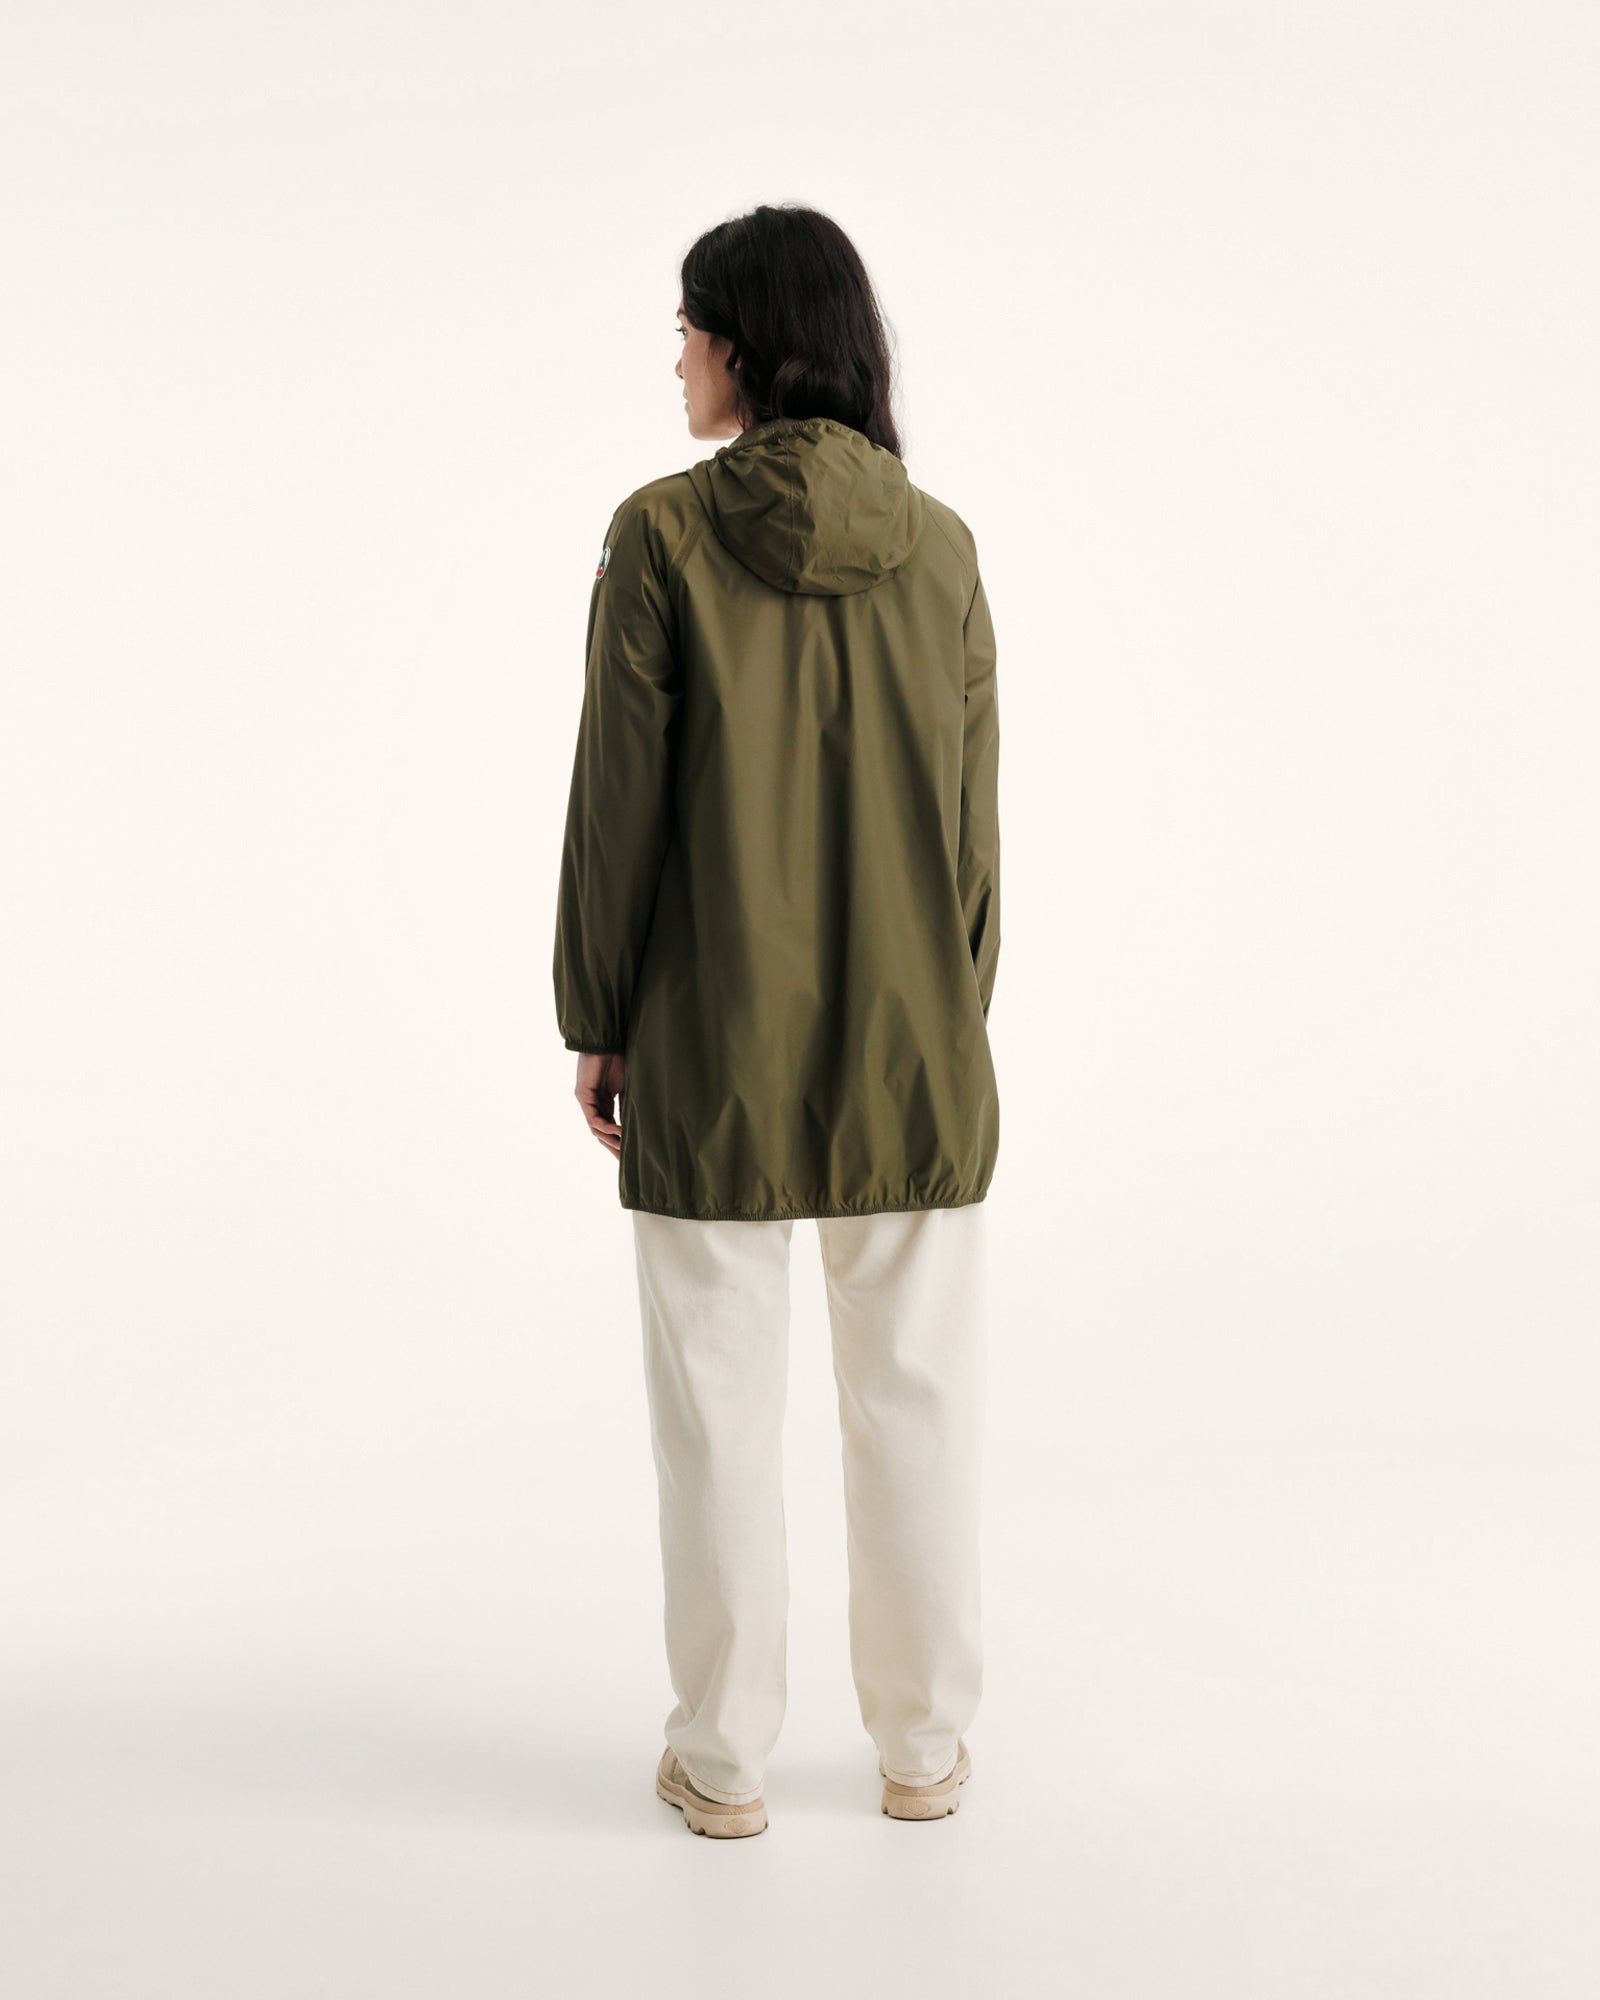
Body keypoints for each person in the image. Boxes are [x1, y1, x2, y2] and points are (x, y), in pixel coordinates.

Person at [553, 203, 1001, 1838]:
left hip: (710, 1041)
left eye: (687, 328)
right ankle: (924, 1752)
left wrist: (598, 1012)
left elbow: (617, 808)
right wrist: (946, 1015)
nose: (675, 357)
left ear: (744, 346)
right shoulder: (941, 548)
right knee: (919, 1406)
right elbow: (972, 830)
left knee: (717, 1418)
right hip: (914, 1046)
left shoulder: (660, 538)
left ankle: (726, 1760)